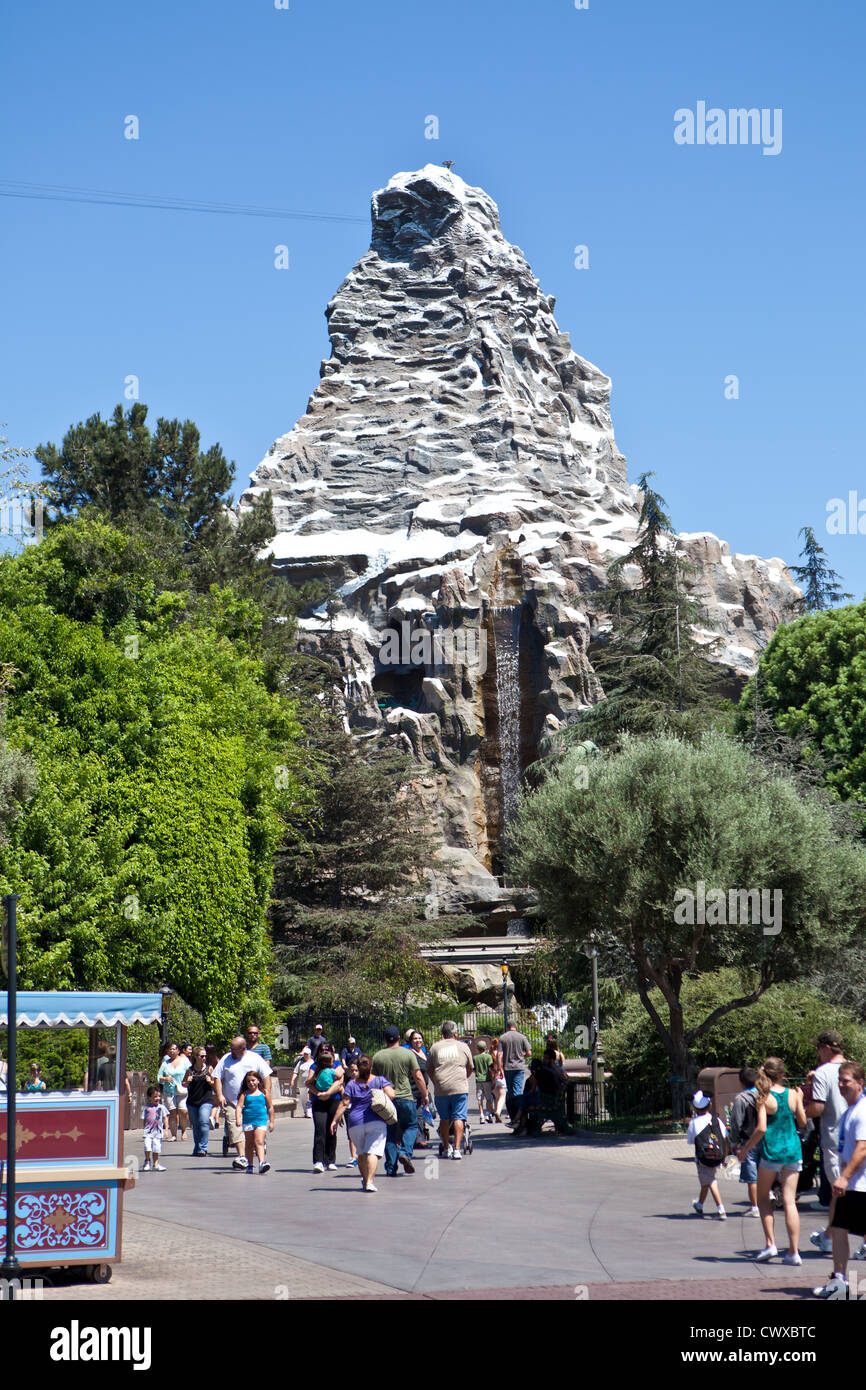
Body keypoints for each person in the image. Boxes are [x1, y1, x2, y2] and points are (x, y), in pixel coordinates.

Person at [737, 1057, 806, 1264]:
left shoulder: (763, 1096)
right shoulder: (793, 1094)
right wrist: (800, 1101)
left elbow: (761, 1128)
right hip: (793, 1150)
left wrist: (745, 1149)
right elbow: (802, 1123)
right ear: (783, 1075)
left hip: (772, 1152)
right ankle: (794, 1252)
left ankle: (770, 1244)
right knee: (789, 1201)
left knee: (763, 1197)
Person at [813, 1062, 866, 1298]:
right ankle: (839, 1281)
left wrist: (843, 1177)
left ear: (860, 1083)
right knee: (838, 1229)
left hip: (860, 1185)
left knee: (842, 1229)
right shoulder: (849, 1111)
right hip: (853, 1184)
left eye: (847, 1081)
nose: (842, 1085)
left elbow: (863, 1148)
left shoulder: (862, 1111)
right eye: (840, 1081)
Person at [807, 1030, 848, 1256]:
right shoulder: (854, 1068)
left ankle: (832, 1239)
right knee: (842, 1192)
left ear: (826, 1048)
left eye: (818, 1048)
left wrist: (804, 1110)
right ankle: (829, 1237)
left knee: (841, 1193)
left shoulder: (822, 1073)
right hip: (856, 1138)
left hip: (833, 1139)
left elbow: (819, 1107)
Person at [331, 1054, 396, 1193]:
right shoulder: (379, 1080)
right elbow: (391, 1095)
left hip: (355, 1123)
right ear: (371, 1066)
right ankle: (369, 1182)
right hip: (376, 1121)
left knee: (361, 1153)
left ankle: (365, 1179)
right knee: (372, 1153)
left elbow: (344, 1103)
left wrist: (334, 1120)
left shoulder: (352, 1084)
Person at [372, 1025, 428, 1176]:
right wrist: (425, 1094)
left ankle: (391, 1167)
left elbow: (373, 1080)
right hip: (405, 1097)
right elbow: (418, 1076)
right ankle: (405, 1152)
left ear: (385, 1039)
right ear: (399, 1038)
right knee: (411, 1125)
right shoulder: (407, 1054)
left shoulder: (378, 1056)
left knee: (390, 1132)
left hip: (387, 1100)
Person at [213, 1036, 272, 1170]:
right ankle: (243, 1157)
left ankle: (257, 1152)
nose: (231, 1051)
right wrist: (220, 1095)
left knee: (252, 1133)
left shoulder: (254, 1058)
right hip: (232, 1102)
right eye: (231, 1048)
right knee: (235, 1128)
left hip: (252, 1103)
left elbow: (266, 1074)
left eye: (234, 1049)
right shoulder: (226, 1059)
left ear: (243, 1048)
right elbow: (217, 1076)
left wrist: (266, 1092)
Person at [426, 1021, 474, 1160]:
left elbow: (429, 1068)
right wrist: (464, 1078)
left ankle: (447, 1147)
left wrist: (436, 1082)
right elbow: (470, 1067)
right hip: (459, 1086)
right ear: (456, 1033)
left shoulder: (435, 1047)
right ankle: (457, 1149)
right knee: (459, 1116)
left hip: (442, 1088)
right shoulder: (463, 1047)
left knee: (445, 1118)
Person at [686, 1090, 728, 1219]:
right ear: (710, 1105)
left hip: (703, 1158)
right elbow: (725, 1137)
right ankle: (699, 1205)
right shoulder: (716, 1120)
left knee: (710, 1181)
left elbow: (691, 1141)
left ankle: (721, 1208)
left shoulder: (693, 1123)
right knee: (706, 1181)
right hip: (718, 1156)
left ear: (694, 1107)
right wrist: (725, 1156)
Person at [729, 1066, 762, 1216]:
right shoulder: (763, 1096)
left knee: (752, 1176)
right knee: (765, 1171)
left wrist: (734, 1143)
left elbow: (736, 1122)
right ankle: (768, 1198)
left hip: (748, 1140)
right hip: (765, 1138)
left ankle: (755, 1206)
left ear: (741, 1082)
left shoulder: (740, 1099)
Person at [308, 1044, 344, 1173]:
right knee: (320, 1129)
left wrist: (327, 1093)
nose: (325, 1051)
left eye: (327, 1050)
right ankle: (319, 1160)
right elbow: (309, 1084)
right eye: (322, 1050)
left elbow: (339, 1081)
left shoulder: (337, 1064)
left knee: (331, 1129)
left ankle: (330, 1160)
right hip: (319, 1102)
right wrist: (318, 1094)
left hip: (333, 1100)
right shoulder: (314, 1067)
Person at [235, 1069, 274, 1174]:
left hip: (261, 1121)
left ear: (258, 1081)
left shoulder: (264, 1093)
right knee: (249, 1144)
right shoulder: (244, 1094)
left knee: (259, 1141)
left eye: (253, 1080)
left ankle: (262, 1163)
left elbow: (270, 1107)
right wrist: (238, 1118)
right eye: (248, 1081)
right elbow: (239, 1107)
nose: (251, 1083)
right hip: (248, 1121)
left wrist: (271, 1122)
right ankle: (250, 1164)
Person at [184, 1045, 216, 1156]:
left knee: (203, 1122)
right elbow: (184, 1084)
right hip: (193, 1100)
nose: (204, 1058)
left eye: (205, 1056)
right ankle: (197, 1147)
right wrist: (187, 1082)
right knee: (196, 1125)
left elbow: (215, 1084)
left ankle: (203, 1148)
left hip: (206, 1099)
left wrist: (210, 1081)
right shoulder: (190, 1070)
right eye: (202, 1056)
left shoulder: (209, 1069)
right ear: (196, 1056)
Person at [499, 1023, 532, 1123]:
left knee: (510, 1092)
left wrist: (500, 1068)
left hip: (507, 1067)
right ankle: (519, 1118)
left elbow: (499, 1054)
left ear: (507, 1027)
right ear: (515, 1026)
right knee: (517, 1091)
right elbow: (529, 1053)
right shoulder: (522, 1037)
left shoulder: (503, 1037)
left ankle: (514, 1116)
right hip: (519, 1067)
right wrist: (522, 1057)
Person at [157, 1042, 189, 1142]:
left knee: (183, 1111)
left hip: (181, 1090)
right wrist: (165, 1078)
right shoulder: (165, 1063)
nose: (172, 1051)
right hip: (169, 1091)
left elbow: (190, 1071)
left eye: (174, 1049)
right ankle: (174, 1134)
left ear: (178, 1051)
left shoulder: (184, 1061)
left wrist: (186, 1080)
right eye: (170, 1049)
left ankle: (184, 1130)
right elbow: (158, 1077)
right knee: (172, 1113)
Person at [142, 1085, 169, 1172]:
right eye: (155, 1096)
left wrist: (166, 1130)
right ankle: (147, 1161)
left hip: (158, 1132)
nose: (157, 1098)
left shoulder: (161, 1108)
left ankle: (156, 1164)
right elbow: (144, 1119)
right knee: (147, 1147)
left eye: (159, 1096)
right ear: (149, 1097)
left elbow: (165, 1118)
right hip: (148, 1132)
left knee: (156, 1149)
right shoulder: (146, 1108)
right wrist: (144, 1129)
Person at [473, 1039, 494, 1123]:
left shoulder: (475, 1058)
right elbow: (490, 1068)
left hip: (478, 1080)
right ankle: (488, 1114)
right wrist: (493, 1079)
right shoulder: (488, 1057)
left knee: (479, 1098)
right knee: (488, 1098)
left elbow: (473, 1069)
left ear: (478, 1049)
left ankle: (481, 1115)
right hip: (487, 1079)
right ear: (485, 1048)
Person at [291, 1047, 314, 1118]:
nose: (305, 1056)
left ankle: (309, 1111)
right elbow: (295, 1071)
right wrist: (292, 1080)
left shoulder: (312, 1063)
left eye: (307, 1054)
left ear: (310, 1055)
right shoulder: (300, 1062)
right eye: (304, 1054)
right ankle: (305, 1111)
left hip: (309, 1084)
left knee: (308, 1098)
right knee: (303, 1098)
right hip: (301, 1083)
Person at [490, 1037, 506, 1122]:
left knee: (496, 1097)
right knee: (502, 1095)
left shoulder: (491, 1053)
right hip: (501, 1075)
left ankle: (497, 1115)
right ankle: (498, 1111)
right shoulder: (500, 1053)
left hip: (493, 1076)